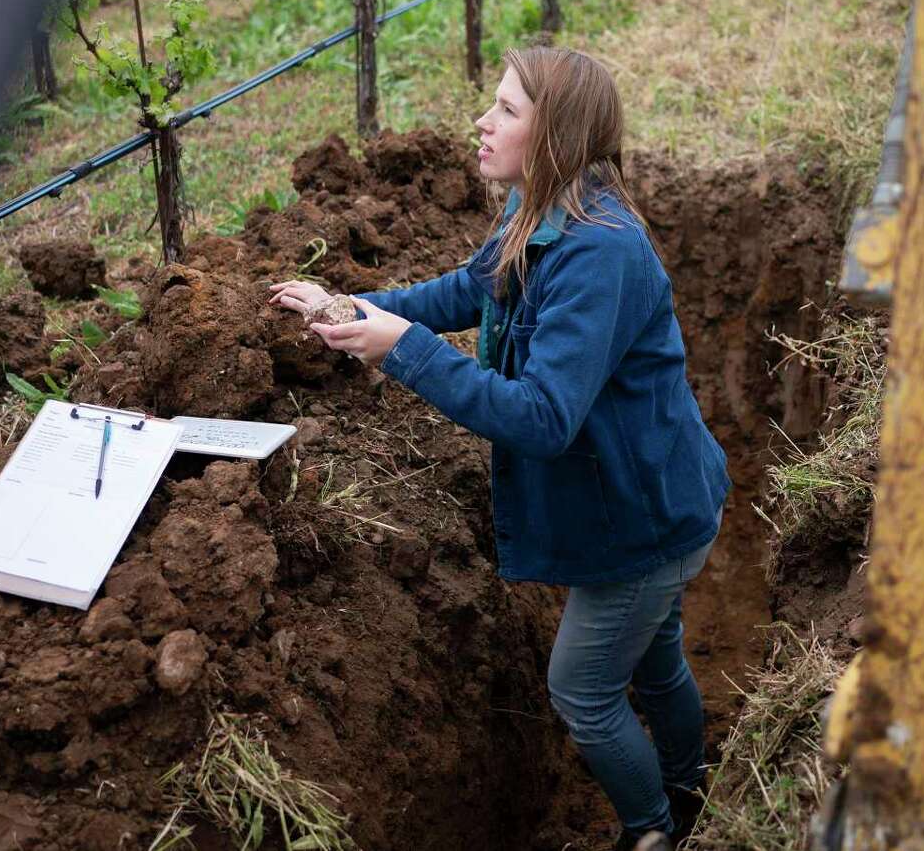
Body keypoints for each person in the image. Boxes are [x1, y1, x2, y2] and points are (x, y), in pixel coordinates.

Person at [271, 46, 730, 850]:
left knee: (583, 691)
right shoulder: (540, 210)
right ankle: (690, 790)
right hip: (642, 496)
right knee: (656, 663)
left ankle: (655, 828)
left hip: (643, 520)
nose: (482, 122)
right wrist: (352, 306)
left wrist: (406, 348)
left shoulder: (598, 252)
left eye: (507, 110)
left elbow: (544, 416)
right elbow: (462, 289)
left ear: (555, 136)